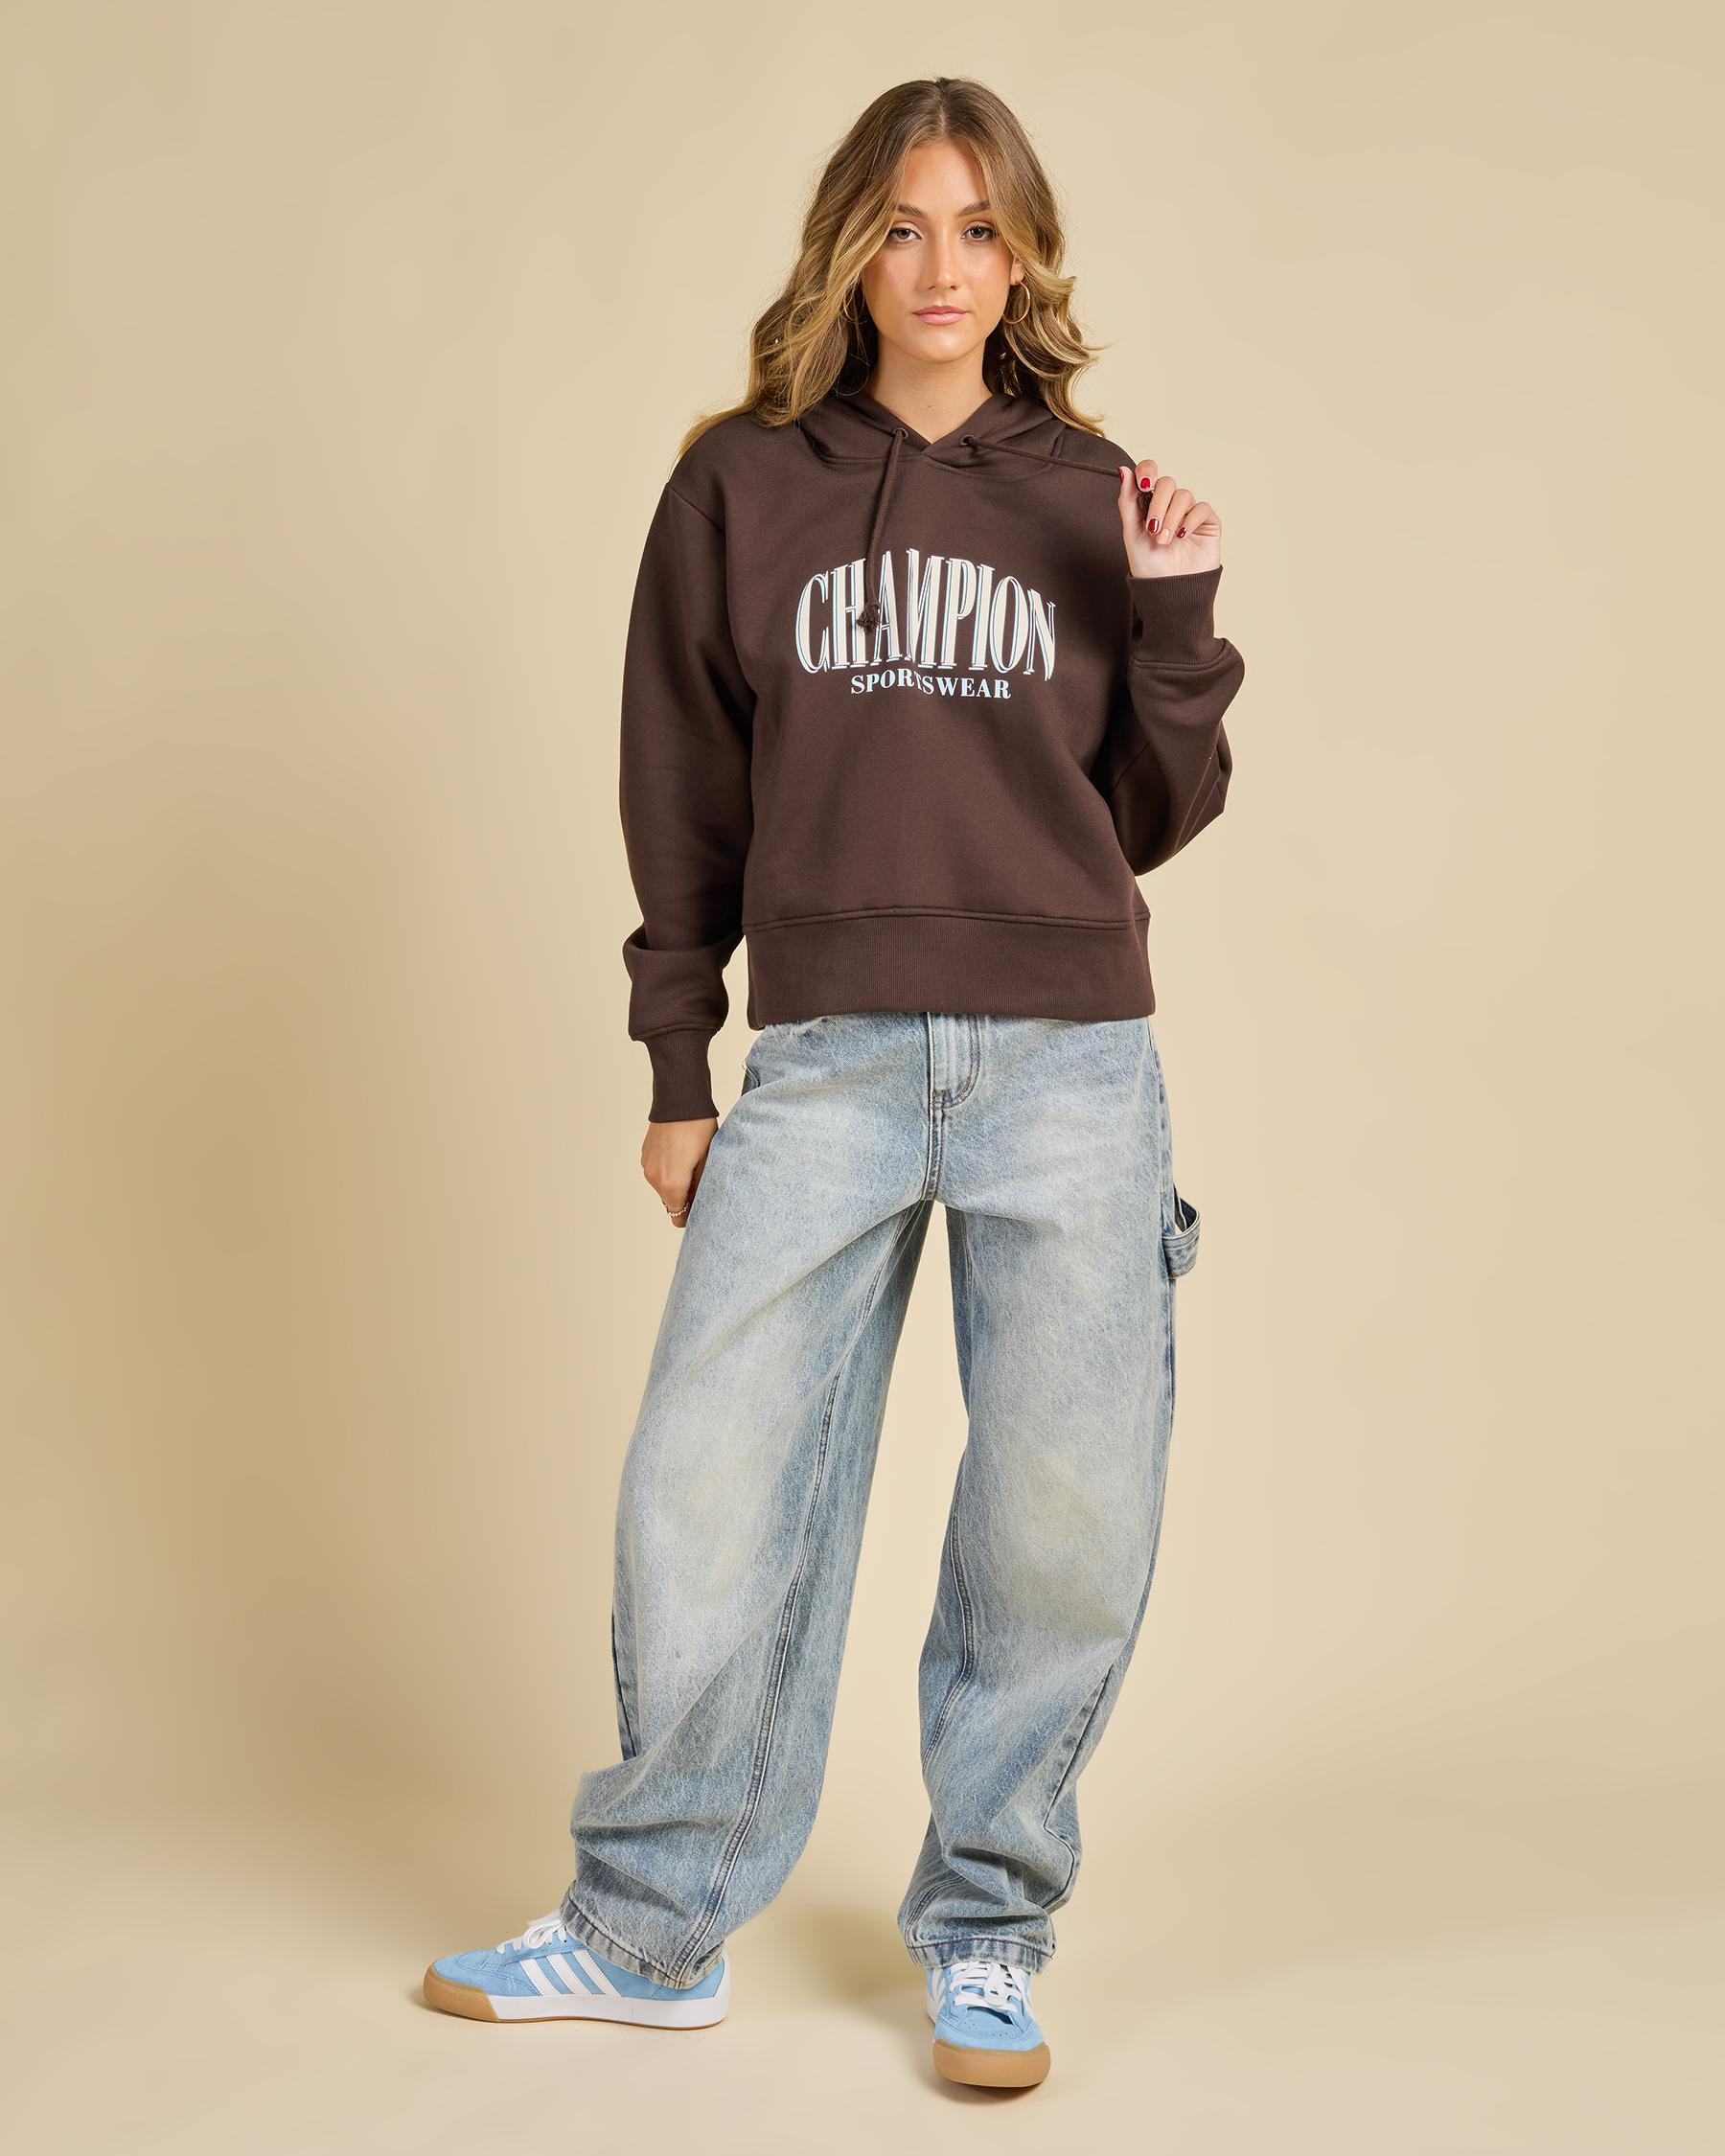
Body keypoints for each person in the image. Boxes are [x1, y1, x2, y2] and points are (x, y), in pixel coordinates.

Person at [423, 76, 1243, 2092]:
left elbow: (1151, 814)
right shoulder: (741, 488)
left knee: (1061, 1516)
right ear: (847, 250)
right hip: (827, 1055)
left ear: (1024, 256)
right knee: (705, 1481)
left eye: (979, 228)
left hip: (1068, 1061)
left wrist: (1176, 617)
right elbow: (678, 788)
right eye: (902, 225)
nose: (941, 267)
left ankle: (990, 1930)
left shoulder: (1095, 492)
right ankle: (650, 1926)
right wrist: (677, 1061)